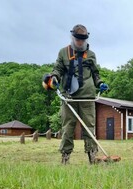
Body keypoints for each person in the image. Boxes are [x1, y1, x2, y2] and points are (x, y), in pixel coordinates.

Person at [42, 24, 109, 165]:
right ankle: (65, 158)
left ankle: (93, 157)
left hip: (88, 96)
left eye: (83, 40)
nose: (80, 42)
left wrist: (100, 83)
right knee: (67, 127)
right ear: (73, 37)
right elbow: (58, 69)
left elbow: (96, 74)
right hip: (69, 97)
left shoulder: (91, 55)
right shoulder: (63, 53)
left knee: (89, 128)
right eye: (78, 39)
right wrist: (54, 78)